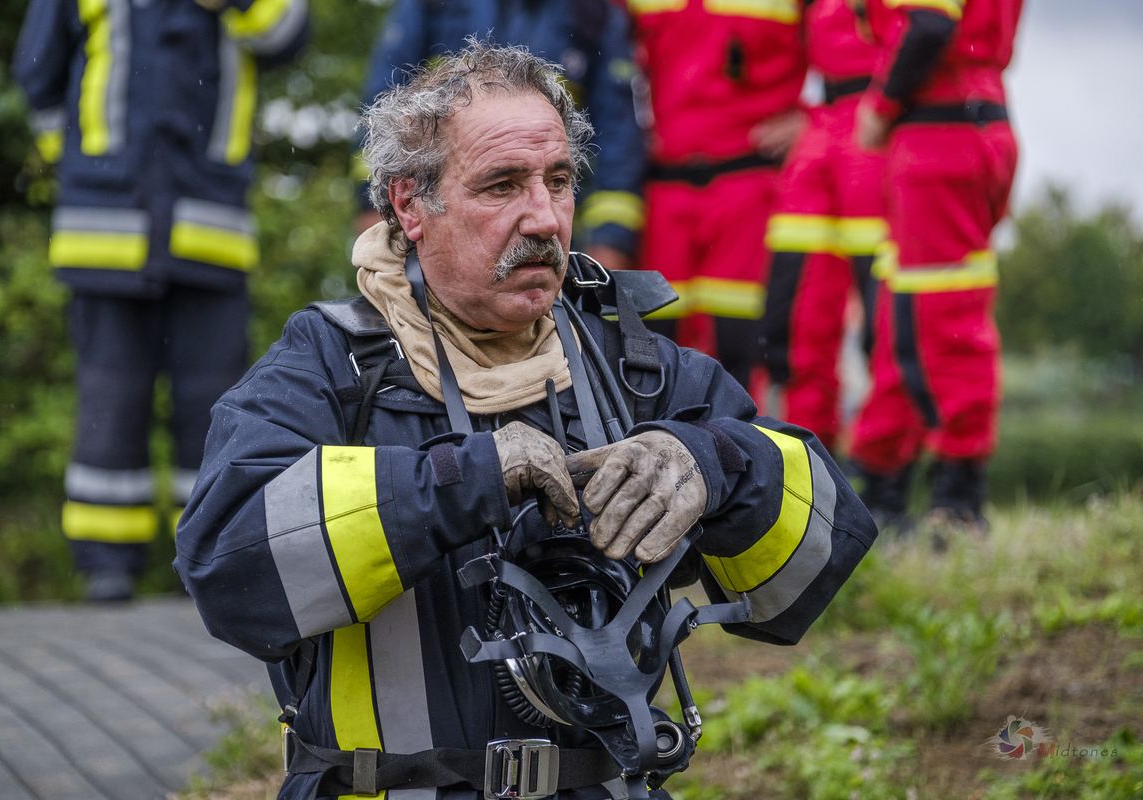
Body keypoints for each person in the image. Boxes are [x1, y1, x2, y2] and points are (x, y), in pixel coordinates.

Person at [176, 41, 876, 800]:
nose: (542, 216)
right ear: (412, 205)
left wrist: (718, 465)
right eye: (502, 185)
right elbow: (225, 566)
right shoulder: (332, 365)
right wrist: (459, 479)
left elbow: (806, 576)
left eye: (559, 181)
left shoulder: (630, 363)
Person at [13, 0, 309, 601]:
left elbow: (287, 37)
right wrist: (80, 162)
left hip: (211, 226)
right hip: (105, 226)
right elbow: (37, 75)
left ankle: (204, 555)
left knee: (213, 404)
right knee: (109, 395)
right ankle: (105, 566)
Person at [846, 0, 1022, 528]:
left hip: (940, 136)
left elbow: (928, 24)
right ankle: (882, 492)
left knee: (943, 325)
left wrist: (879, 104)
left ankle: (957, 500)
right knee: (901, 323)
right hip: (944, 132)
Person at [353, 0, 647, 272]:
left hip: (558, 235)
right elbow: (385, 111)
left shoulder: (595, 14)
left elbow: (618, 140)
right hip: (439, 216)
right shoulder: (432, 5)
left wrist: (611, 239)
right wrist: (376, 205)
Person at [625, 0, 808, 391]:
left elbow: (860, 47)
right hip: (660, 189)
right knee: (652, 347)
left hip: (749, 184)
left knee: (739, 344)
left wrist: (815, 117)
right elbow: (596, 52)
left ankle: (739, 445)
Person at [759, 0, 888, 454]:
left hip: (882, 121)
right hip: (824, 124)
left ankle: (887, 475)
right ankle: (806, 464)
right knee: (793, 317)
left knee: (888, 319)